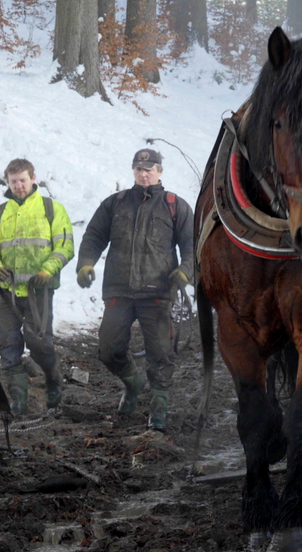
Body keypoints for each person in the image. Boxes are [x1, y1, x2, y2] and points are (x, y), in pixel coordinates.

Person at [76, 149, 194, 431]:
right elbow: (93, 236)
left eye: (149, 169)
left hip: (157, 292)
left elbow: (191, 246)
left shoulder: (175, 206)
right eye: (139, 169)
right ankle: (133, 383)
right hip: (120, 290)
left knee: (161, 353)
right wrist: (85, 264)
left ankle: (159, 406)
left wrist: (184, 272)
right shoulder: (115, 204)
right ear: (133, 171)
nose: (144, 174)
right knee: (108, 349)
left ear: (160, 171)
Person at [0, 159, 74, 416]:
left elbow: (66, 246)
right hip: (7, 292)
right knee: (8, 344)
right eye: (13, 181)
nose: (18, 186)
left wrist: (47, 270)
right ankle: (18, 401)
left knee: (39, 344)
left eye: (22, 180)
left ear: (33, 178)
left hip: (39, 291)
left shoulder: (52, 209)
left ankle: (52, 377)